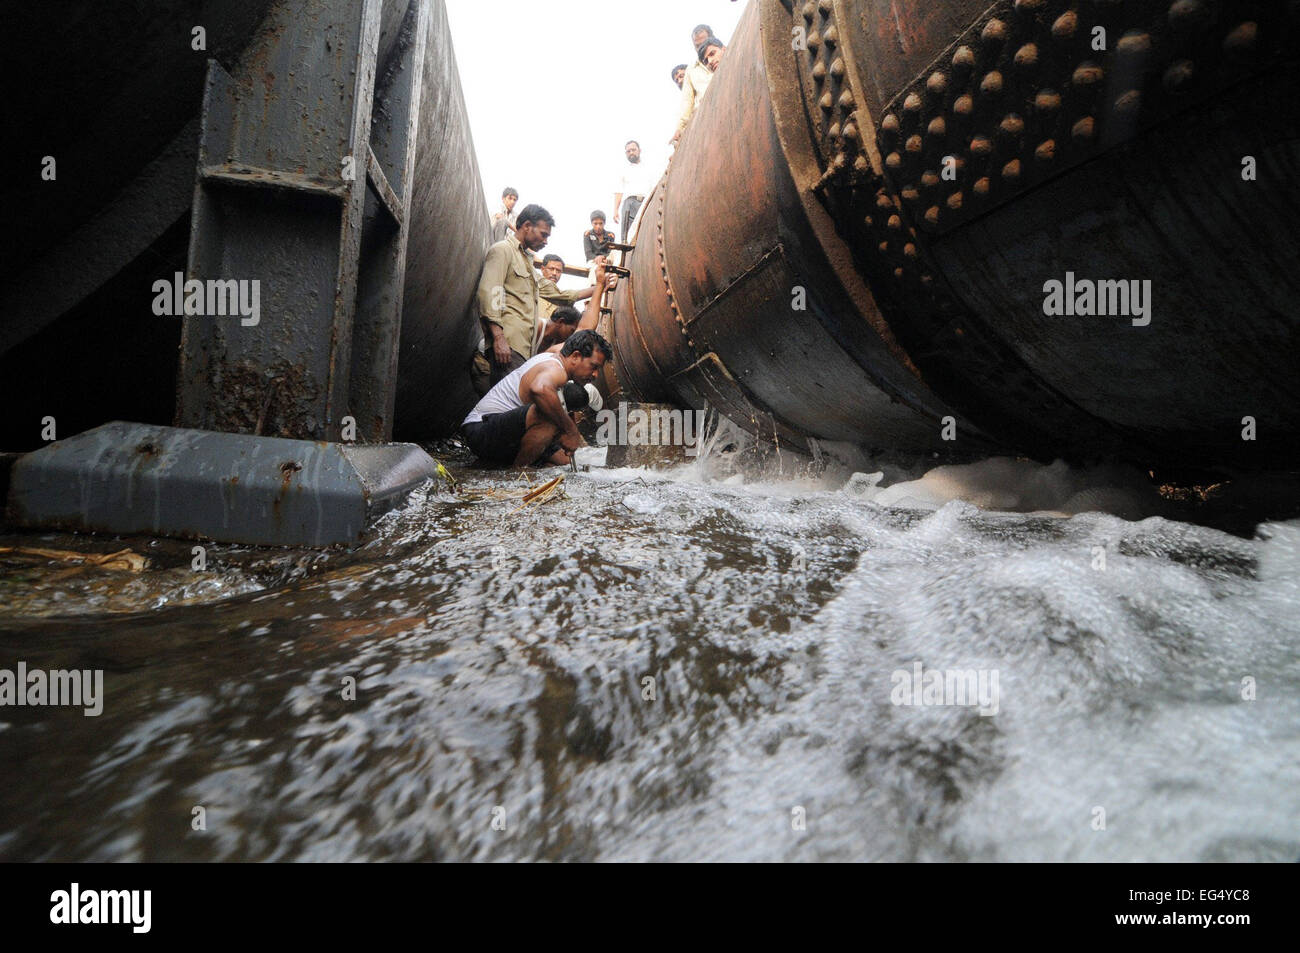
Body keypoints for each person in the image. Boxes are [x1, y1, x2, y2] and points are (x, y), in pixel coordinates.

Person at [460, 329, 612, 467]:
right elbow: (539, 389)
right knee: (548, 415)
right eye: (594, 367)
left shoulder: (556, 356)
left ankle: (494, 464)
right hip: (480, 430)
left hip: (504, 431)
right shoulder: (555, 369)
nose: (595, 375)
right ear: (576, 356)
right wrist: (571, 430)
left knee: (563, 462)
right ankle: (516, 474)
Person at [672, 25, 715, 145]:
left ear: (712, 38)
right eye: (697, 45)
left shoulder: (723, 53)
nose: (701, 47)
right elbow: (687, 102)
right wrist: (679, 129)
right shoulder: (691, 71)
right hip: (706, 119)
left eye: (704, 42)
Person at [613, 140, 652, 244]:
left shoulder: (649, 167)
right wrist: (615, 210)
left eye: (633, 150)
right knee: (628, 239)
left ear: (639, 150)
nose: (631, 152)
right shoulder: (623, 170)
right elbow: (619, 191)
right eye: (628, 151)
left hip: (646, 204)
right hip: (629, 204)